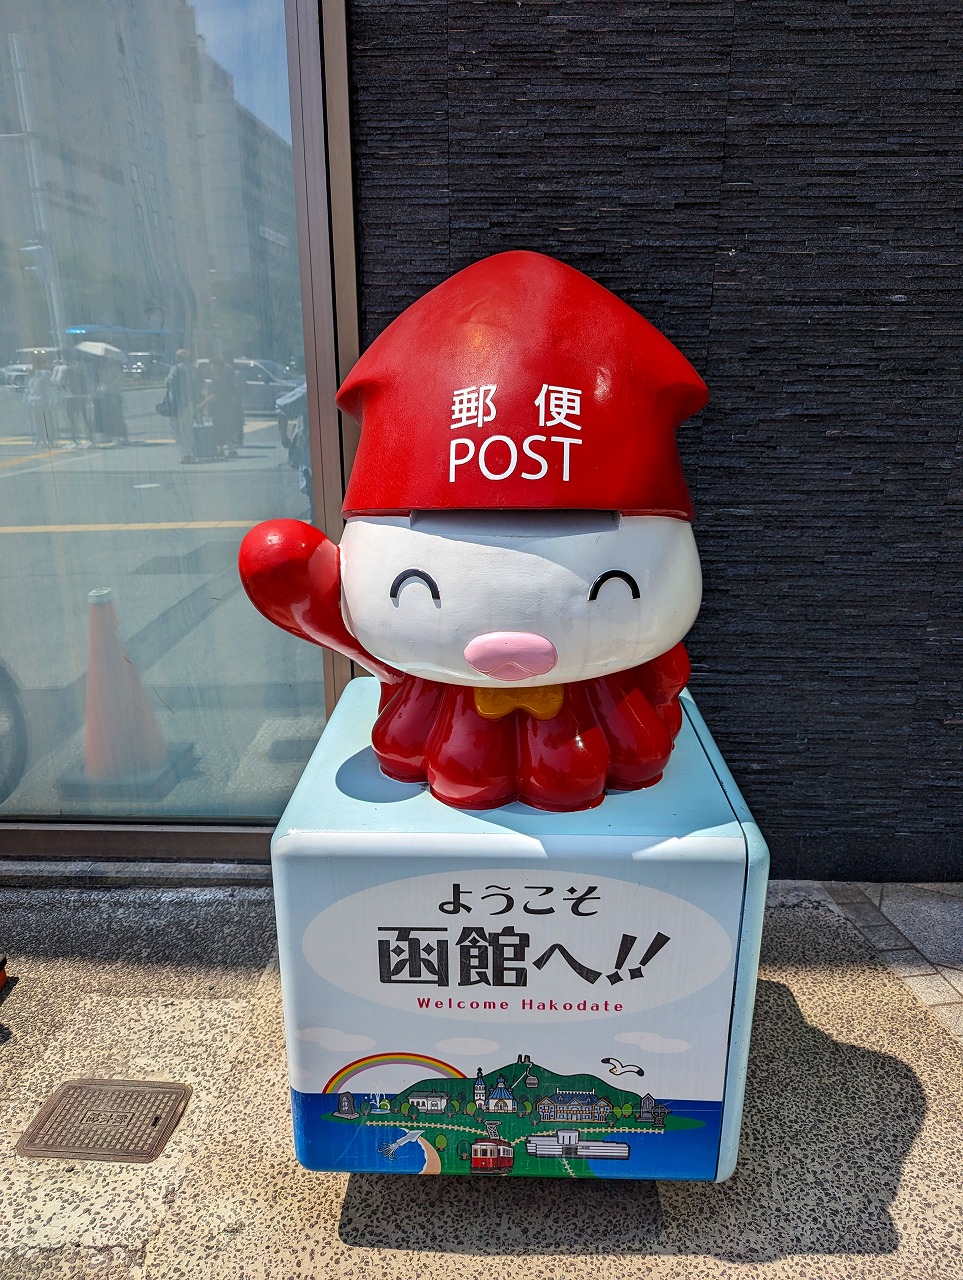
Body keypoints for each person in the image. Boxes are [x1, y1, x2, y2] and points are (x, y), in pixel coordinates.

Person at [165, 349, 200, 462]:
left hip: (176, 403)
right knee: (188, 429)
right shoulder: (193, 369)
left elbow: (169, 382)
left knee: (176, 429)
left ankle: (184, 454)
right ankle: (191, 452)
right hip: (190, 403)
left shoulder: (175, 368)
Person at [23, 357, 61, 449]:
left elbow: (49, 387)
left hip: (42, 401)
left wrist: (52, 401)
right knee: (38, 423)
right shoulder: (33, 375)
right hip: (35, 402)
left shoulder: (43, 374)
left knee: (46, 423)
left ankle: (49, 440)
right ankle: (40, 440)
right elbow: (29, 389)